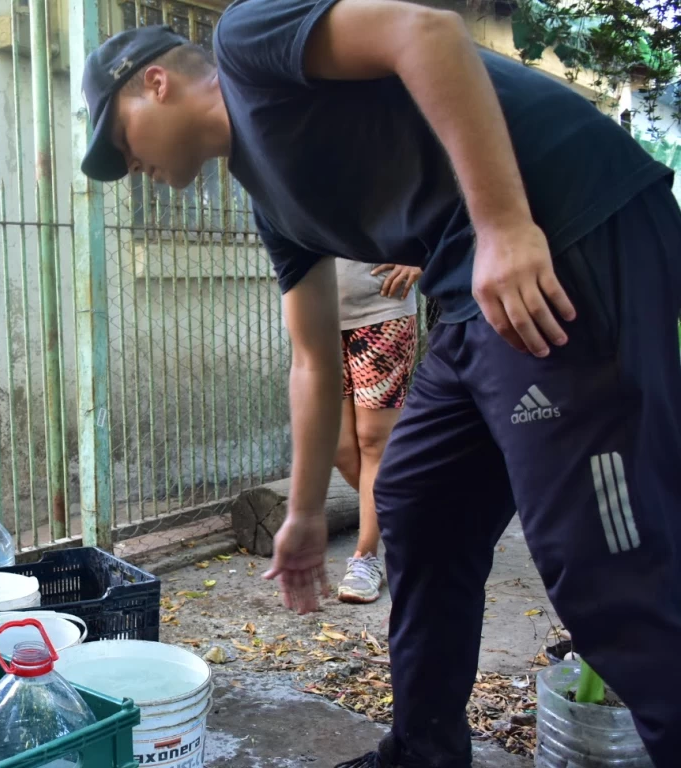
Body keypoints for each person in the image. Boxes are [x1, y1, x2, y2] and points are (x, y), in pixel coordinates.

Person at [76, 0, 681, 764]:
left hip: (571, 226)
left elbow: (425, 33)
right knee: (416, 497)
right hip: (471, 292)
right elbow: (311, 359)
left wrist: (501, 223)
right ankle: (423, 750)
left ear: (156, 83)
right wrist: (300, 516)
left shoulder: (248, 43)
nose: (127, 164)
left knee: (605, 563)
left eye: (117, 138)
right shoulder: (273, 201)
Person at [332, 260, 421, 604]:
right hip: (316, 310)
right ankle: (414, 513)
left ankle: (365, 557)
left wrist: (423, 256)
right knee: (337, 446)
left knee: (373, 442)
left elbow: (446, 206)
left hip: (383, 306)